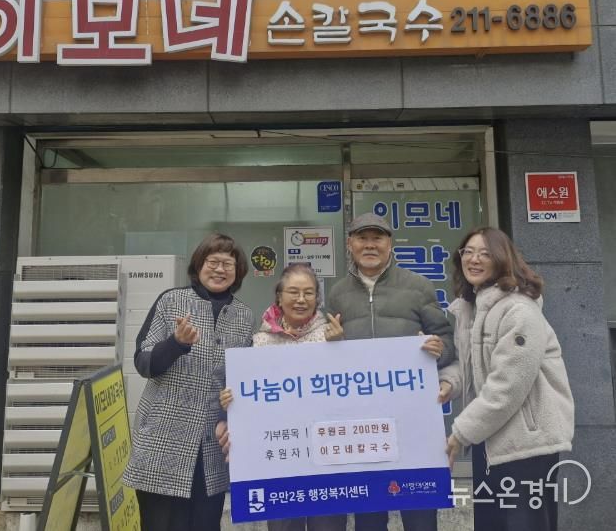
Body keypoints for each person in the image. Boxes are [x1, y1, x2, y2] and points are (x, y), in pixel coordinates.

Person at [438, 226, 574, 531]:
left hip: (526, 445)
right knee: (492, 523)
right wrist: (449, 383)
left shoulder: (519, 310)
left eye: (485, 253)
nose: (474, 259)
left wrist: (460, 434)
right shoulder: (471, 308)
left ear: (502, 259)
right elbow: (469, 365)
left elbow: (508, 386)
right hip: (489, 439)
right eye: (468, 252)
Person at [327, 212, 454, 531]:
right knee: (369, 517)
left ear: (390, 244)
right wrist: (331, 345)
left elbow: (447, 340)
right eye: (362, 238)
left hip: (413, 419)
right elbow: (327, 355)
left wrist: (438, 349)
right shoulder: (337, 293)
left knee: (420, 514)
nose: (370, 245)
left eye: (377, 238)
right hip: (362, 422)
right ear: (350, 244)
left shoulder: (418, 286)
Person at [123, 233, 254, 531]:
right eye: (213, 262)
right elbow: (144, 363)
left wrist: (231, 416)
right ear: (198, 265)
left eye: (228, 264)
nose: (220, 269)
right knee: (161, 524)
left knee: (205, 524)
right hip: (164, 440)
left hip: (211, 444)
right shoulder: (171, 301)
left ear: (238, 271)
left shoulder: (244, 316)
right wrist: (176, 343)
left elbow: (243, 379)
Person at [218, 263, 347, 531]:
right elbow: (246, 395)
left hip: (327, 457)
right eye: (293, 292)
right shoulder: (259, 342)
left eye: (308, 293)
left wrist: (340, 350)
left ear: (317, 298)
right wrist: (231, 402)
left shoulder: (333, 336)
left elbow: (352, 390)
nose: (301, 299)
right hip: (280, 457)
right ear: (279, 296)